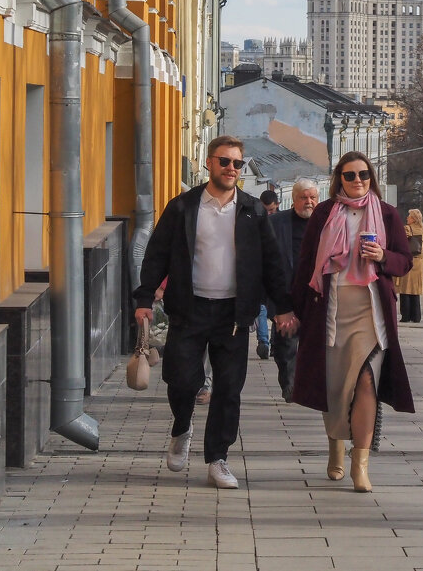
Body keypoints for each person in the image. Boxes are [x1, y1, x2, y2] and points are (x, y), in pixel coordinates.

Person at [133, 135, 296, 489]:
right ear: (209, 162)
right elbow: (157, 253)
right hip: (188, 310)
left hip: (234, 316)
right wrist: (144, 299)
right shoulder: (183, 207)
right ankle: (182, 427)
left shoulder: (252, 211)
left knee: (228, 389)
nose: (232, 169)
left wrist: (282, 308)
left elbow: (272, 264)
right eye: (225, 161)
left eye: (238, 163)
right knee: (180, 379)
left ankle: (218, 459)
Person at [290, 151, 415, 492]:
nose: (358, 180)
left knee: (365, 381)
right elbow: (305, 264)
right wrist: (292, 310)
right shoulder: (325, 214)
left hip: (370, 313)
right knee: (334, 386)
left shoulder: (387, 214)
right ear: (339, 180)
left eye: (363, 174)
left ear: (371, 177)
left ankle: (361, 464)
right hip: (329, 312)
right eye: (350, 175)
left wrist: (383, 257)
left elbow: (405, 262)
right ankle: (335, 446)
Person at [266, 180, 320, 402]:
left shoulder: (326, 223)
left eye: (312, 197)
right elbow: (267, 259)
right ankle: (289, 385)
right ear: (293, 199)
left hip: (316, 294)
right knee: (286, 343)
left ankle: (308, 384)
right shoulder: (277, 223)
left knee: (314, 343)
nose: (309, 202)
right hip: (286, 294)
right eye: (304, 197)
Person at [254, 190, 281, 360]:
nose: (268, 214)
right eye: (266, 211)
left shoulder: (282, 222)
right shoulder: (256, 220)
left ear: (277, 206)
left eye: (271, 211)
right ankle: (265, 342)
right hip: (261, 270)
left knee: (276, 310)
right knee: (262, 308)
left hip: (277, 271)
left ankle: (271, 342)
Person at [397, 209, 423, 323]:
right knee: (415, 290)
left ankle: (406, 316)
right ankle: (416, 316)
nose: (407, 218)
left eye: (409, 216)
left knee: (405, 289)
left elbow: (401, 242)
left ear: (413, 219)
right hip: (419, 262)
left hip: (409, 260)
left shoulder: (407, 229)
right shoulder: (422, 229)